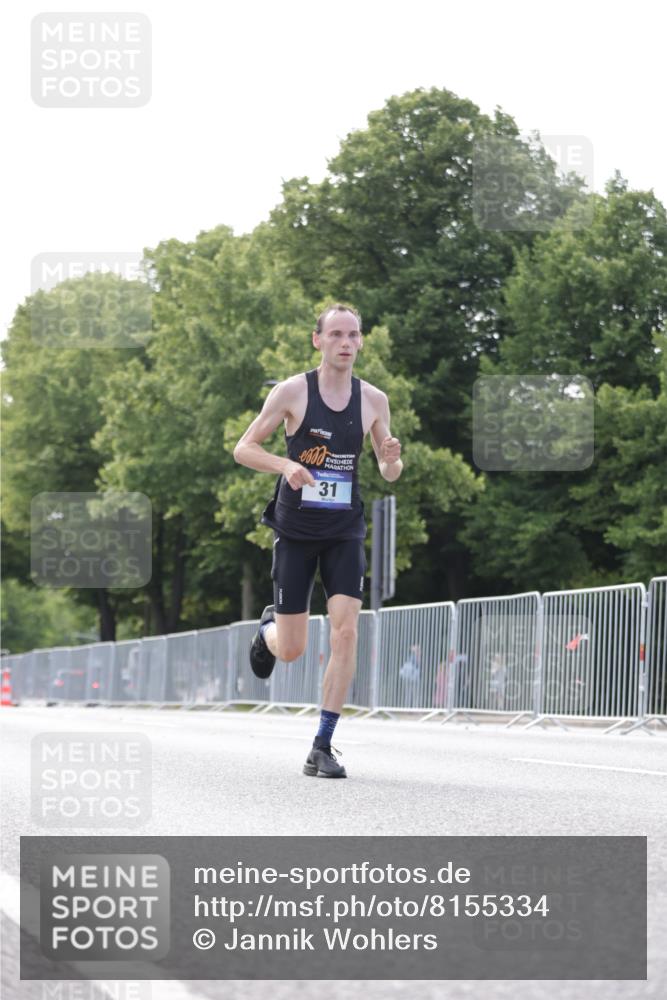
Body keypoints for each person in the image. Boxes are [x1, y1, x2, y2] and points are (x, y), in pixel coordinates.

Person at [233, 303, 403, 778]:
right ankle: (268, 632)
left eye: (353, 335)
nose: (346, 343)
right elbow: (243, 448)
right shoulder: (292, 391)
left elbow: (389, 470)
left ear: (361, 342)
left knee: (346, 631)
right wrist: (286, 465)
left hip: (344, 530)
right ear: (318, 340)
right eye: (336, 335)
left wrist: (391, 458)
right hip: (296, 531)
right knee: (292, 650)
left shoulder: (373, 400)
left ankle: (322, 745)